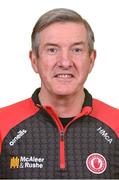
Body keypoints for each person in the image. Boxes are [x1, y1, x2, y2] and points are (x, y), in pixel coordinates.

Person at [0, 8, 119, 179]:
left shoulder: (116, 125)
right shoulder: (2, 124)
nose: (65, 62)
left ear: (91, 60)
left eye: (76, 50)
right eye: (52, 50)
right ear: (34, 60)